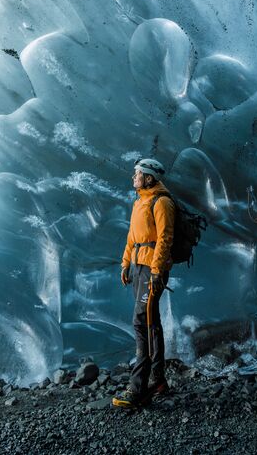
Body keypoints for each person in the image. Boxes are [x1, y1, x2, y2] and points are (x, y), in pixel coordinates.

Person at [112, 157, 175, 409]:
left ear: (149, 177)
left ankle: (138, 388)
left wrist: (157, 270)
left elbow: (165, 238)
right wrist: (125, 263)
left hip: (152, 269)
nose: (133, 177)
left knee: (142, 322)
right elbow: (132, 237)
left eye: (137, 174)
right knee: (150, 323)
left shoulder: (162, 203)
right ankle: (158, 381)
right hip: (139, 266)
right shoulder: (140, 202)